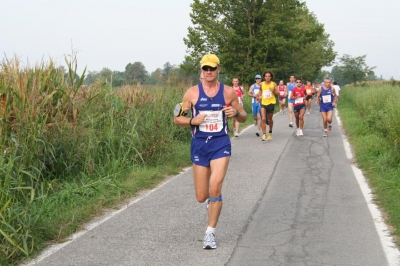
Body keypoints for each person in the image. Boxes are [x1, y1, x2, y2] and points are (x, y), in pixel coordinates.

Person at [174, 54, 246, 249]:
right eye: (205, 68)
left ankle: (210, 233)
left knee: (215, 188)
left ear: (218, 69)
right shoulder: (191, 93)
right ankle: (211, 203)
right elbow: (177, 119)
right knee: (201, 196)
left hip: (220, 144)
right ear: (201, 70)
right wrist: (191, 121)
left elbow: (244, 117)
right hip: (199, 145)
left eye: (212, 68)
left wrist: (236, 113)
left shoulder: (229, 92)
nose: (208, 72)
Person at [257, 70, 278, 141]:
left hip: (271, 103)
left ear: (271, 77)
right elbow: (259, 93)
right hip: (263, 103)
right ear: (264, 77)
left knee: (269, 120)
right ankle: (263, 134)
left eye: (269, 76)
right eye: (266, 76)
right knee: (263, 118)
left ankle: (270, 132)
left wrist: (273, 91)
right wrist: (259, 97)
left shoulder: (273, 84)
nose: (267, 77)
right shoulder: (261, 84)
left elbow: (278, 94)